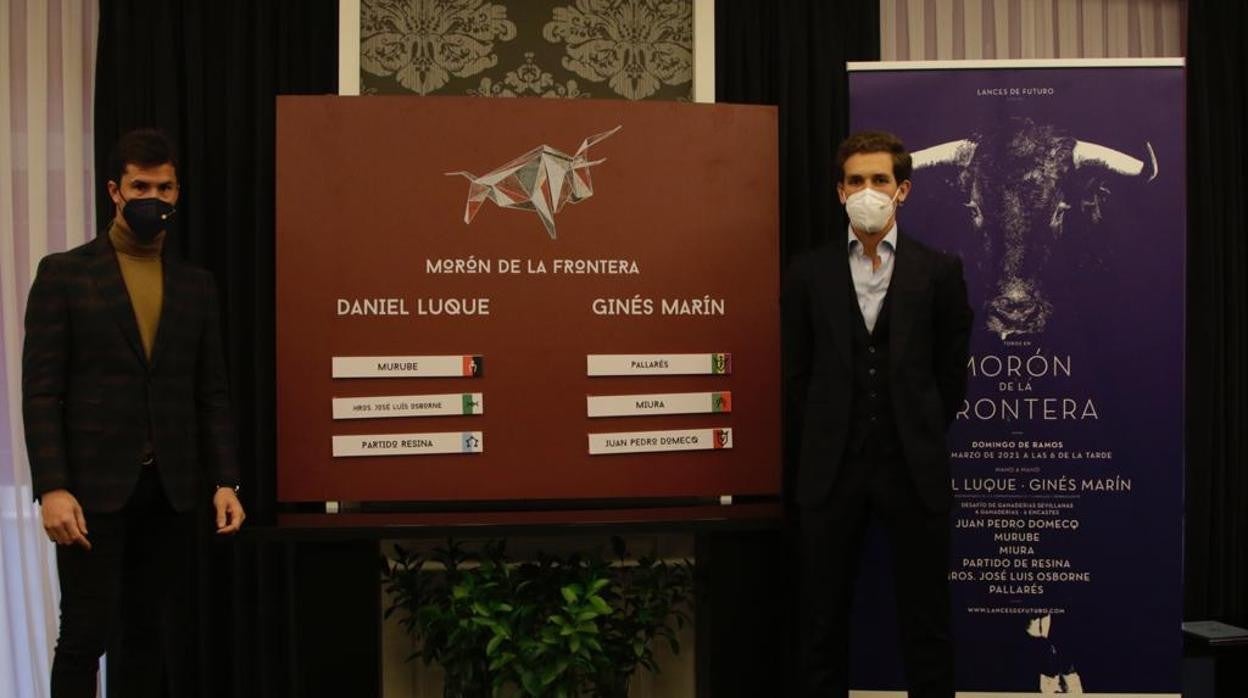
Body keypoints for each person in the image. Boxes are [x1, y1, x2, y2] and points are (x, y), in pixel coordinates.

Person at [22, 128, 246, 697]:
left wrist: (226, 480)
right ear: (114, 191)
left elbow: (212, 392)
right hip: (90, 493)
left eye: (164, 187)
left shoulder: (196, 286)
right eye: (140, 186)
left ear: (178, 193)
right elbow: (41, 392)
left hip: (169, 492)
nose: (153, 197)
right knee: (84, 636)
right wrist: (52, 488)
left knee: (147, 634)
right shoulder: (64, 274)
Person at [782, 131, 973, 698]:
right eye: (856, 180)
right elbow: (797, 373)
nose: (868, 190)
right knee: (821, 623)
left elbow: (950, 377)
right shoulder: (807, 273)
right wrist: (829, 432)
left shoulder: (940, 271)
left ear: (902, 189)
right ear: (840, 191)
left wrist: (915, 431)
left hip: (913, 470)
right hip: (830, 472)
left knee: (927, 623)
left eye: (880, 180)